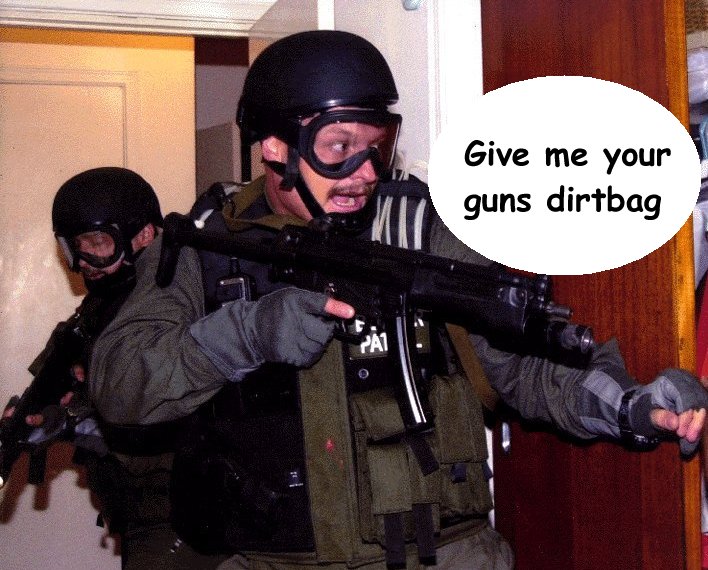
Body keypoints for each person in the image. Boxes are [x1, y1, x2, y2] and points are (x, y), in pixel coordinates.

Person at [89, 31, 708, 570]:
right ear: (274, 148)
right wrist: (242, 336)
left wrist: (631, 405)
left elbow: (524, 367)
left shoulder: (420, 231)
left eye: (377, 146)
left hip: (442, 555)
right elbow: (118, 385)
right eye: (339, 147)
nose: (365, 171)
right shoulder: (205, 246)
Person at [8, 167, 226, 569]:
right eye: (74, 247)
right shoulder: (102, 307)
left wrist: (87, 412)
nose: (84, 261)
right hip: (142, 512)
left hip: (184, 515)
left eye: (98, 243)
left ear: (143, 235)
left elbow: (163, 396)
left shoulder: (168, 297)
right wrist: (60, 418)